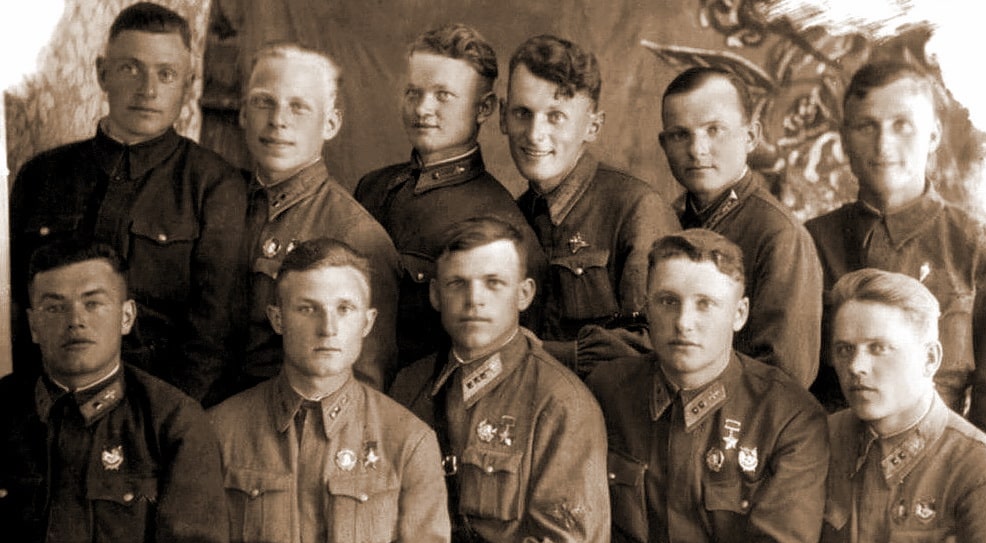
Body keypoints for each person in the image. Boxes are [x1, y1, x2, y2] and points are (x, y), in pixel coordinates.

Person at [9, 1, 247, 404]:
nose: (147, 90)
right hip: (46, 406)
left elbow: (213, 338)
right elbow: (16, 311)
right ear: (102, 73)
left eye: (166, 74)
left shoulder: (214, 185)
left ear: (188, 85)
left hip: (162, 408)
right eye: (130, 69)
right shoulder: (40, 176)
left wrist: (162, 423)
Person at [587, 229, 828, 543]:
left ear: (739, 314)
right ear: (647, 308)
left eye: (705, 304)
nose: (683, 323)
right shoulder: (608, 391)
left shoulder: (788, 416)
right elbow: (588, 530)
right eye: (668, 301)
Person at [211, 239, 450, 543]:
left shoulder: (409, 441)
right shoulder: (219, 431)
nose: (328, 328)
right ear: (278, 319)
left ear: (367, 322)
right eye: (308, 309)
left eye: (344, 309)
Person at [391, 218, 610, 543]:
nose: (474, 300)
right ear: (435, 294)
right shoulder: (408, 387)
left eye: (493, 283)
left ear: (524, 294)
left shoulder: (560, 404)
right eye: (457, 283)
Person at [0, 240, 228, 543]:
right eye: (54, 308)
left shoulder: (174, 421)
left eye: (93, 304)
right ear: (34, 326)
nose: (75, 320)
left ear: (126, 317)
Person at [806, 60, 986, 439]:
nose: (884, 145)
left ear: (933, 135)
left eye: (902, 125)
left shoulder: (980, 249)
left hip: (941, 458)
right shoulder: (809, 242)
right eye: (867, 126)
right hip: (828, 455)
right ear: (844, 139)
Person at [354, 23, 544, 370]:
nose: (422, 109)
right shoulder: (373, 188)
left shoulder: (501, 222)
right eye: (413, 93)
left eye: (443, 95)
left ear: (484, 108)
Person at [502, 34, 679, 377]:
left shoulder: (637, 210)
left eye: (556, 116)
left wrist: (545, 354)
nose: (534, 134)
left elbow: (659, 341)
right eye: (522, 113)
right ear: (502, 117)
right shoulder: (512, 215)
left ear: (592, 127)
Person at [241, 43, 400, 391]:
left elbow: (367, 383)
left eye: (298, 107)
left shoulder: (357, 234)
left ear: (330, 123)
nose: (278, 120)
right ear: (243, 114)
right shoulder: (220, 200)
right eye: (264, 102)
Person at [816, 269, 986, 543]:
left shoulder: (980, 472)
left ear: (930, 359)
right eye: (845, 349)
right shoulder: (819, 441)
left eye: (879, 348)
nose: (856, 366)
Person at [659, 67, 822, 387]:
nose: (697, 149)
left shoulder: (780, 235)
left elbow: (785, 378)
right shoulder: (666, 221)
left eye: (714, 130)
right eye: (680, 134)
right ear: (664, 144)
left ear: (751, 137)